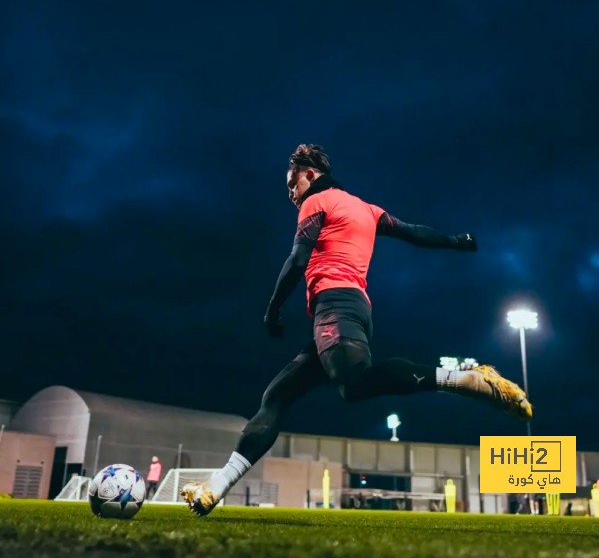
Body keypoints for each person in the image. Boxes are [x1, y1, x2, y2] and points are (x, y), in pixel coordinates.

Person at [182, 144, 533, 515]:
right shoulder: (366, 209)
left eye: (291, 184)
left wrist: (272, 309)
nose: (290, 193)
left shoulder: (316, 203)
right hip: (349, 309)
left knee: (354, 381)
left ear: (310, 175)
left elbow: (298, 257)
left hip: (336, 305)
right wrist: (454, 241)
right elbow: (412, 232)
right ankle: (216, 487)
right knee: (278, 395)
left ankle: (467, 380)